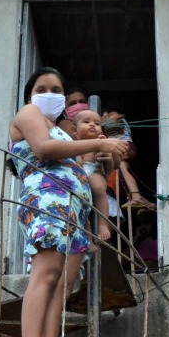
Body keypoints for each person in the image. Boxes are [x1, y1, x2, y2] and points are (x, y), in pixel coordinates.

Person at [8, 67, 127, 337]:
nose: (50, 94)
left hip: (74, 211)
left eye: (56, 89)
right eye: (42, 89)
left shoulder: (62, 131)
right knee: (45, 275)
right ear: (30, 95)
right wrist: (94, 146)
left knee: (62, 288)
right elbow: (44, 150)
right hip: (48, 201)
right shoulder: (29, 113)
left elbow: (83, 165)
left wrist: (108, 155)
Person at [63, 104, 115, 247]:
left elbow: (115, 161)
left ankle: (103, 224)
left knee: (98, 188)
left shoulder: (101, 142)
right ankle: (89, 240)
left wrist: (108, 151)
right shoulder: (72, 144)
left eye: (97, 123)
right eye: (86, 122)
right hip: (79, 174)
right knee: (80, 203)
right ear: (74, 130)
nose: (92, 125)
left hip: (94, 170)